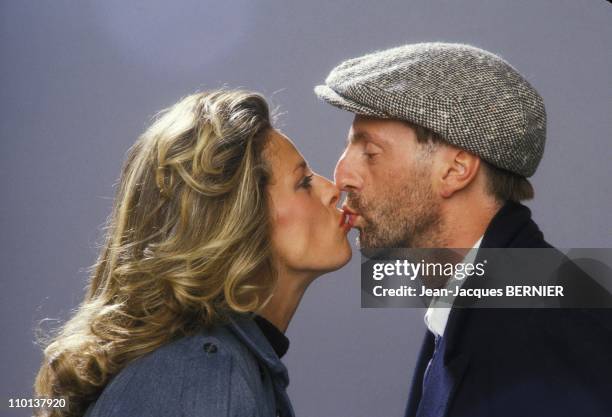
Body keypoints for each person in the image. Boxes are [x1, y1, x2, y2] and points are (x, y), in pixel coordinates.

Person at [315, 43, 612, 416]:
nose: (341, 177)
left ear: (456, 171)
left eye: (370, 153)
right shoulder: (481, 307)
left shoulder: (549, 334)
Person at [34, 90, 352, 417]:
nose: (332, 189)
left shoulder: (211, 366)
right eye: (304, 182)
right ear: (237, 219)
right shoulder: (205, 375)